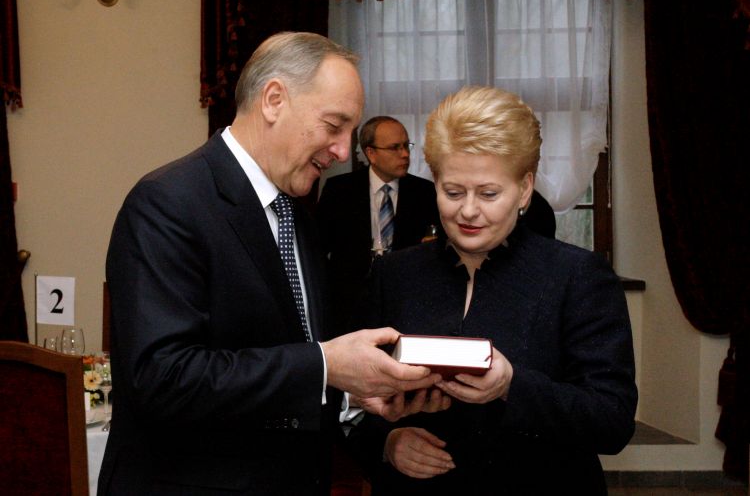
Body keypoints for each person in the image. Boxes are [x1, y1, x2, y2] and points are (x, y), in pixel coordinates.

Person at [99, 32, 443, 495]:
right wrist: (326, 366)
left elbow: (287, 356)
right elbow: (163, 379)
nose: (344, 151)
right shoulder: (168, 203)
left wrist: (354, 393)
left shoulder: (294, 214)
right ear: (274, 100)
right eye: (334, 125)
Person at [348, 86, 638, 495]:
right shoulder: (394, 275)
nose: (468, 210)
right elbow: (352, 403)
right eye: (452, 192)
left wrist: (511, 386)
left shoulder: (578, 276)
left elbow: (612, 421)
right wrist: (386, 443)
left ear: (524, 189)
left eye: (488, 193)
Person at [316, 116, 441, 334]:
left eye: (406, 146)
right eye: (395, 147)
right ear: (371, 153)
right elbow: (317, 248)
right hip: (349, 308)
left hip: (406, 303)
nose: (405, 154)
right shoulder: (339, 190)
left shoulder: (425, 192)